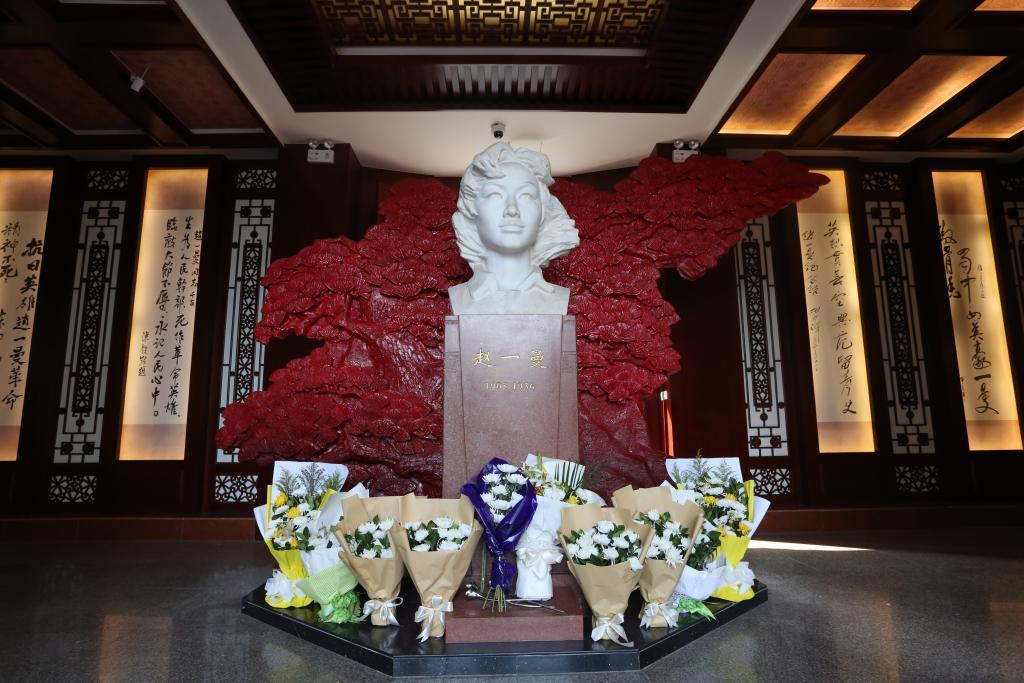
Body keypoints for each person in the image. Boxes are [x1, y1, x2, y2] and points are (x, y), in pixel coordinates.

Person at [449, 142, 579, 315]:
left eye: (526, 195)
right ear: (471, 209)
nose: (512, 209)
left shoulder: (558, 299)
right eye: (495, 195)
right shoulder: (459, 298)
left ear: (542, 211)